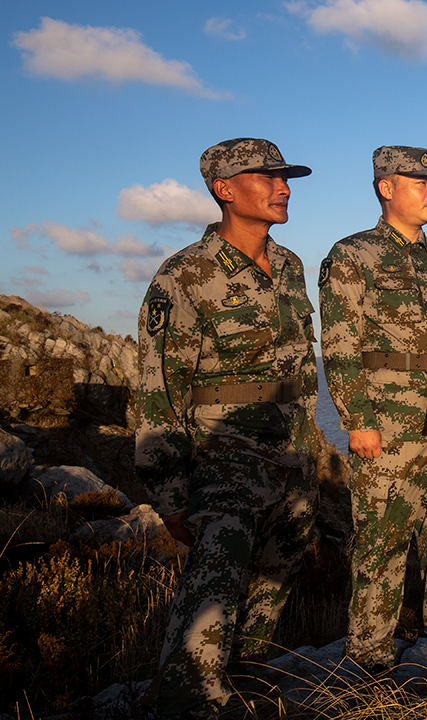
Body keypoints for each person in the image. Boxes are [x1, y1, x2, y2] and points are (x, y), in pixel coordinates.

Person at [135, 138, 320, 717]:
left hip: (289, 461)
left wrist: (308, 454)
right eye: (267, 177)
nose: (282, 186)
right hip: (221, 463)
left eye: (285, 177)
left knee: (269, 590)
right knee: (210, 603)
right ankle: (186, 701)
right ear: (224, 189)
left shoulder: (290, 266)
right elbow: (157, 391)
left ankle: (240, 688)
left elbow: (298, 368)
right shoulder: (184, 276)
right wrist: (168, 495)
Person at [319, 145, 427, 672]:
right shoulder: (351, 255)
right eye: (420, 182)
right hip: (384, 428)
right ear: (386, 188)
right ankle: (367, 658)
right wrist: (357, 421)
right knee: (381, 544)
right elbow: (341, 346)